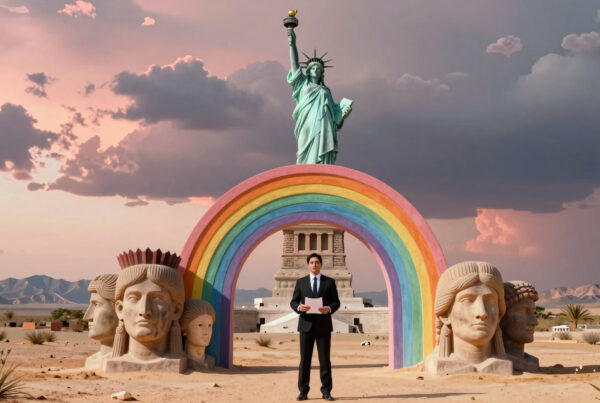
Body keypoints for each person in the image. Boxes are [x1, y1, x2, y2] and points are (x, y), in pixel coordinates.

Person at [425, 261, 513, 375]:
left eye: (490, 301)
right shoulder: (435, 363)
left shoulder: (503, 364)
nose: (482, 312)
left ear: (499, 315)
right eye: (467, 300)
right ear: (446, 314)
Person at [286, 26, 352, 165]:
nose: (316, 70)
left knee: (321, 155)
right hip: (306, 123)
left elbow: (335, 115)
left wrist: (343, 112)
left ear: (322, 73)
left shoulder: (325, 91)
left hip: (324, 125)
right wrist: (292, 44)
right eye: (313, 68)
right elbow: (295, 65)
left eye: (319, 69)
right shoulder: (302, 84)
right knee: (304, 153)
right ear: (308, 71)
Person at [290, 252, 340, 401]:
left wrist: (329, 309)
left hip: (323, 326)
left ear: (321, 264)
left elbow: (336, 302)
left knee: (325, 361)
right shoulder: (301, 282)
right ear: (308, 265)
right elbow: (293, 301)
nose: (314, 265)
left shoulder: (329, 282)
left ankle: (326, 392)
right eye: (312, 262)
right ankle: (303, 391)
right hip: (306, 326)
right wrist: (299, 308)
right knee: (305, 360)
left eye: (317, 262)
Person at [500, 281, 540, 372]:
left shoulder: (532, 361)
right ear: (501, 318)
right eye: (522, 312)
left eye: (533, 312)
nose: (534, 322)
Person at [180, 299, 216, 370]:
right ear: (185, 330)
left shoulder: (209, 360)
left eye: (209, 325)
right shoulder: (182, 361)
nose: (207, 332)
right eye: (200, 325)